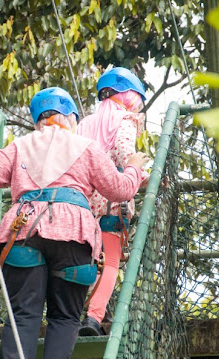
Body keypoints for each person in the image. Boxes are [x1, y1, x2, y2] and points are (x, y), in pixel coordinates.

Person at [0, 87, 148, 359]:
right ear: (71, 119)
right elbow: (119, 189)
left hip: (23, 228)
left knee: (23, 314)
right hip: (73, 231)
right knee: (64, 315)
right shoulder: (86, 147)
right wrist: (135, 169)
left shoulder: (19, 146)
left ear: (38, 120)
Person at [76, 67, 147, 336]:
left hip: (81, 204)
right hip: (110, 201)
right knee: (111, 261)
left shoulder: (84, 123)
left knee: (89, 260)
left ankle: (73, 313)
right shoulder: (126, 120)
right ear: (129, 96)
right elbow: (124, 153)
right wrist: (144, 174)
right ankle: (93, 318)